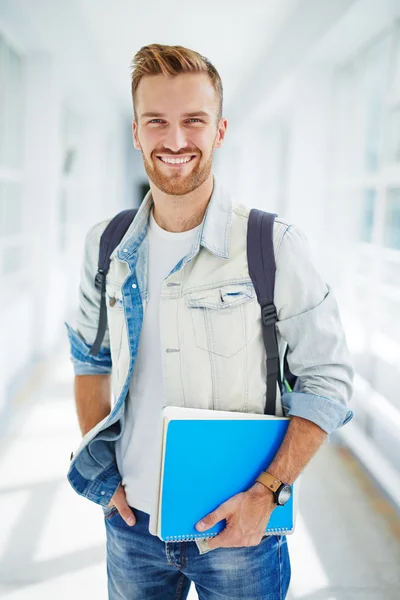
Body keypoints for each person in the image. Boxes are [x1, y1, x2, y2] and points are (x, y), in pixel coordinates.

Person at [66, 43, 355, 600]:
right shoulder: (105, 246)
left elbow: (329, 379)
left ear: (220, 130)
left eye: (193, 121)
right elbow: (89, 359)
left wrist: (268, 493)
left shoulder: (273, 245)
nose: (175, 141)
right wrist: (108, 484)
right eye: (157, 122)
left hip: (242, 533)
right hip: (132, 528)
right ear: (135, 132)